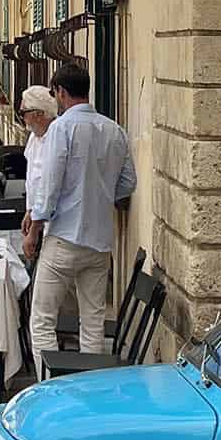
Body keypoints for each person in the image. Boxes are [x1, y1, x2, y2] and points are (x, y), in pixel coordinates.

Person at [26, 63, 136, 375]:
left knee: (42, 319)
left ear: (60, 92)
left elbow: (49, 186)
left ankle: (49, 388)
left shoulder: (61, 128)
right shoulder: (115, 130)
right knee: (93, 322)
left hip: (64, 237)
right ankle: (91, 390)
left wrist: (34, 228)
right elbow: (128, 184)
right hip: (100, 241)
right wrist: (100, 195)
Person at [19, 86, 57, 257]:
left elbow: (48, 182)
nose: (22, 118)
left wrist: (36, 223)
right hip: (37, 217)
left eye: (24, 112)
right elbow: (31, 177)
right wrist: (29, 210)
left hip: (54, 223)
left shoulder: (58, 136)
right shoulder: (34, 137)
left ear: (39, 114)